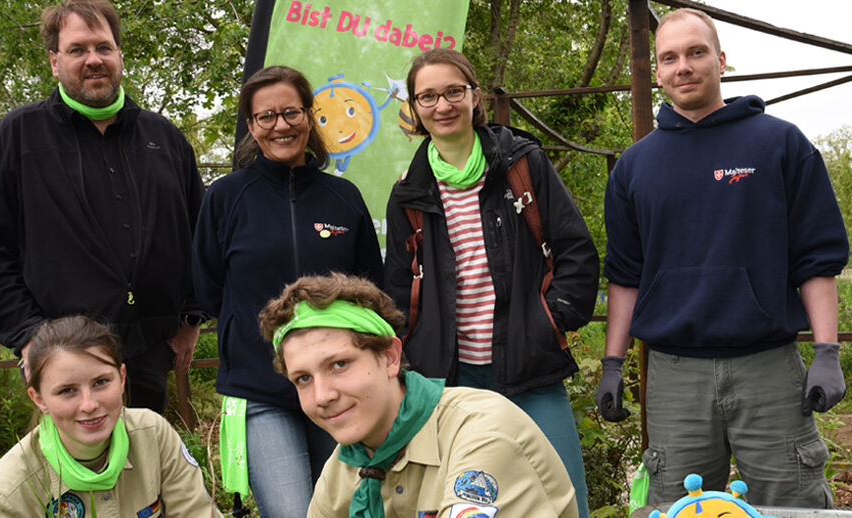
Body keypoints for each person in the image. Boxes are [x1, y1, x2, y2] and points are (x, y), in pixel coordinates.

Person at [597, 8, 850, 509]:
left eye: (696, 52)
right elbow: (625, 276)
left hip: (769, 370)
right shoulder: (634, 166)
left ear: (721, 59)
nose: (683, 67)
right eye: (669, 58)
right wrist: (611, 363)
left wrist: (826, 353)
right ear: (659, 72)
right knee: (676, 507)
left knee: (792, 504)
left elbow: (815, 261)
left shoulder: (780, 144)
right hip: (674, 375)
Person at [0, 0, 205, 413]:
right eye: (77, 50)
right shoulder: (15, 139)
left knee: (146, 473)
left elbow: (201, 238)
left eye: (103, 47)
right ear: (54, 62)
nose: (93, 60)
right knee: (72, 476)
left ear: (119, 56)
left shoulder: (165, 139)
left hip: (150, 353)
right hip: (63, 363)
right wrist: (29, 335)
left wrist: (190, 322)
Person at [382, 48, 600, 517]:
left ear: (474, 95)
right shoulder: (408, 194)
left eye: (453, 92)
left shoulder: (522, 164)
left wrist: (550, 322)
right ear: (415, 108)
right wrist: (411, 359)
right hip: (448, 379)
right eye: (428, 96)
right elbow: (398, 292)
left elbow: (575, 249)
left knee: (563, 499)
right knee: (463, 504)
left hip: (528, 364)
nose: (442, 106)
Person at [191, 65, 384, 517]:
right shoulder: (225, 197)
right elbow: (205, 286)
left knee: (349, 511)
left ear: (310, 116)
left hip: (340, 387)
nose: (281, 125)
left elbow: (371, 294)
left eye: (291, 112)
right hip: (260, 390)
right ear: (252, 125)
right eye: (266, 116)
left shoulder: (343, 197)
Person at [257, 273, 579, 518]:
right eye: (302, 379)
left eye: (339, 364)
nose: (323, 395)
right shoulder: (344, 469)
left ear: (390, 358)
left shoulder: (482, 433)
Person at [0, 316, 222, 517]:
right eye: (67, 391)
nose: (89, 404)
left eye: (101, 382)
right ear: (38, 398)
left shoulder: (154, 435)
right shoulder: (9, 491)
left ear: (122, 377)